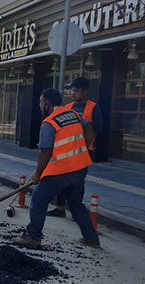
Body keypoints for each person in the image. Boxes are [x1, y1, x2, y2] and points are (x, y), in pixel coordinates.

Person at [12, 88, 100, 248]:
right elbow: (89, 128)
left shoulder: (49, 123)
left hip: (61, 170)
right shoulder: (74, 114)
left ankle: (33, 236)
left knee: (39, 198)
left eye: (40, 102)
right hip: (80, 167)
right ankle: (91, 238)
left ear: (47, 104)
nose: (39, 105)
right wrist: (84, 149)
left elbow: (45, 151)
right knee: (76, 204)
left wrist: (38, 174)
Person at [48, 77, 104, 218]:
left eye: (76, 91)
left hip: (84, 151)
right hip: (66, 150)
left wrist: (84, 147)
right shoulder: (68, 107)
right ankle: (60, 207)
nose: (73, 94)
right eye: (72, 91)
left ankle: (76, 211)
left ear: (85, 92)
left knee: (77, 181)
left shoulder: (93, 107)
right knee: (61, 178)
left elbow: (97, 128)